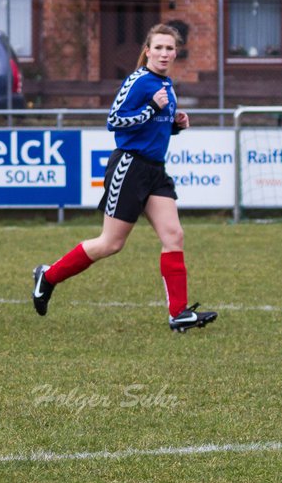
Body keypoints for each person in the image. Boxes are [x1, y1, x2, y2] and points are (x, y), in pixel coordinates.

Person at [30, 23, 217, 332]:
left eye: (170, 48)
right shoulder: (138, 80)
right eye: (158, 47)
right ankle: (48, 277)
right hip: (130, 166)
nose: (164, 53)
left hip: (155, 170)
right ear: (147, 51)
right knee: (111, 243)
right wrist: (150, 108)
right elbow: (114, 121)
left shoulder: (166, 83)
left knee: (174, 236)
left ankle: (178, 313)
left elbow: (156, 123)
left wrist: (175, 124)